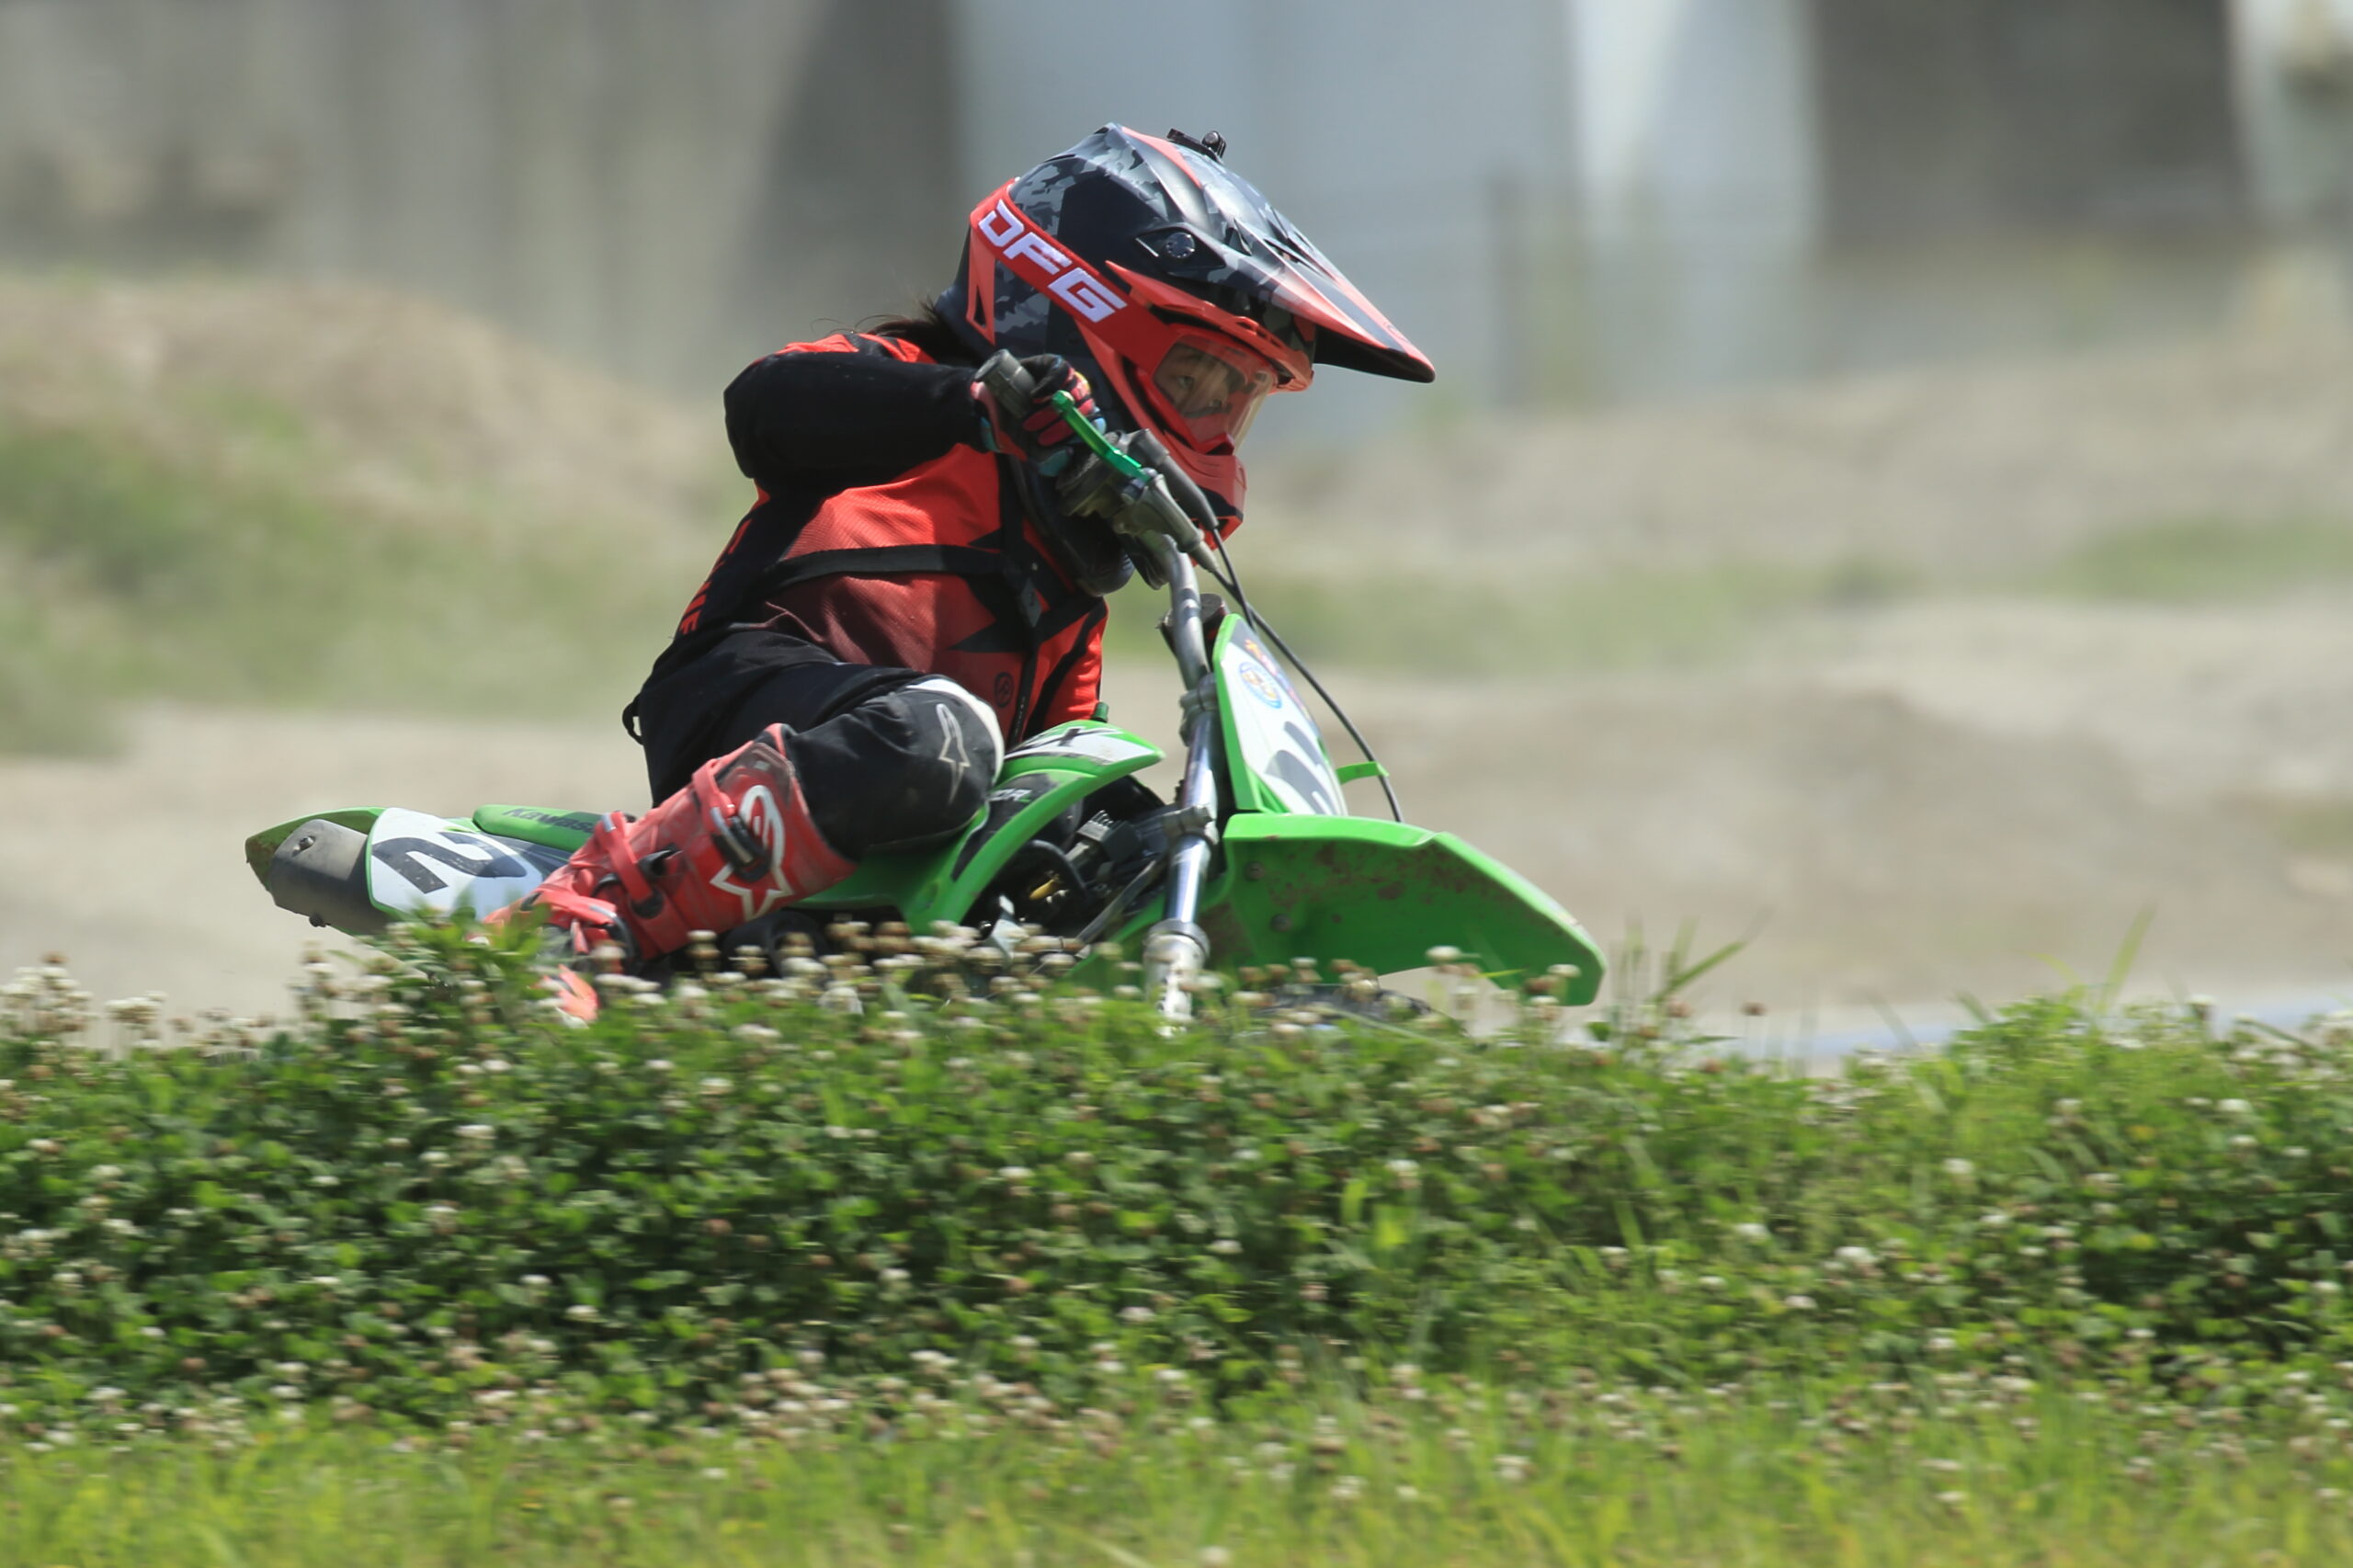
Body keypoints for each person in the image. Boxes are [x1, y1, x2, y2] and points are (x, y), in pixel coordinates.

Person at [524, 124, 1433, 963]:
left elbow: (1053, 757)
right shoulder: (916, 393)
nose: (1210, 416)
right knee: (942, 733)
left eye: (1236, 397)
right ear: (1080, 308)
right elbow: (762, 405)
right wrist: (975, 407)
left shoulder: (1075, 557)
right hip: (747, 698)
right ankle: (585, 916)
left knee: (1114, 835)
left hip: (906, 799)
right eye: (1194, 374)